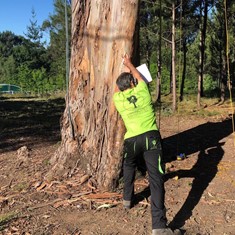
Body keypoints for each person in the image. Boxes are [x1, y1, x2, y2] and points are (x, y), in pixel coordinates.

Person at [113, 54, 181, 235]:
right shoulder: (142, 91)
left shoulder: (118, 100)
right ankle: (159, 226)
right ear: (133, 83)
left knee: (128, 167)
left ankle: (127, 199)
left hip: (131, 140)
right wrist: (130, 64)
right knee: (156, 179)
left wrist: (124, 69)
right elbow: (140, 77)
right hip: (150, 138)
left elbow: (117, 88)